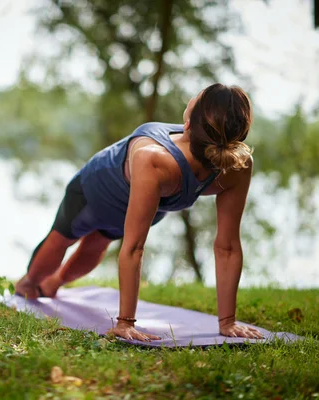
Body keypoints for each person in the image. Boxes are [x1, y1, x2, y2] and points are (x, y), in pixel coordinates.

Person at [15, 83, 264, 342]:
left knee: (93, 250)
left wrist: (228, 323)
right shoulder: (154, 159)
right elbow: (134, 248)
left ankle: (54, 284)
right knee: (61, 241)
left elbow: (228, 247)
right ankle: (28, 282)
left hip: (140, 206)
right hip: (93, 194)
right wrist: (125, 323)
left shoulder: (235, 165)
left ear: (189, 123)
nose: (191, 96)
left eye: (195, 97)